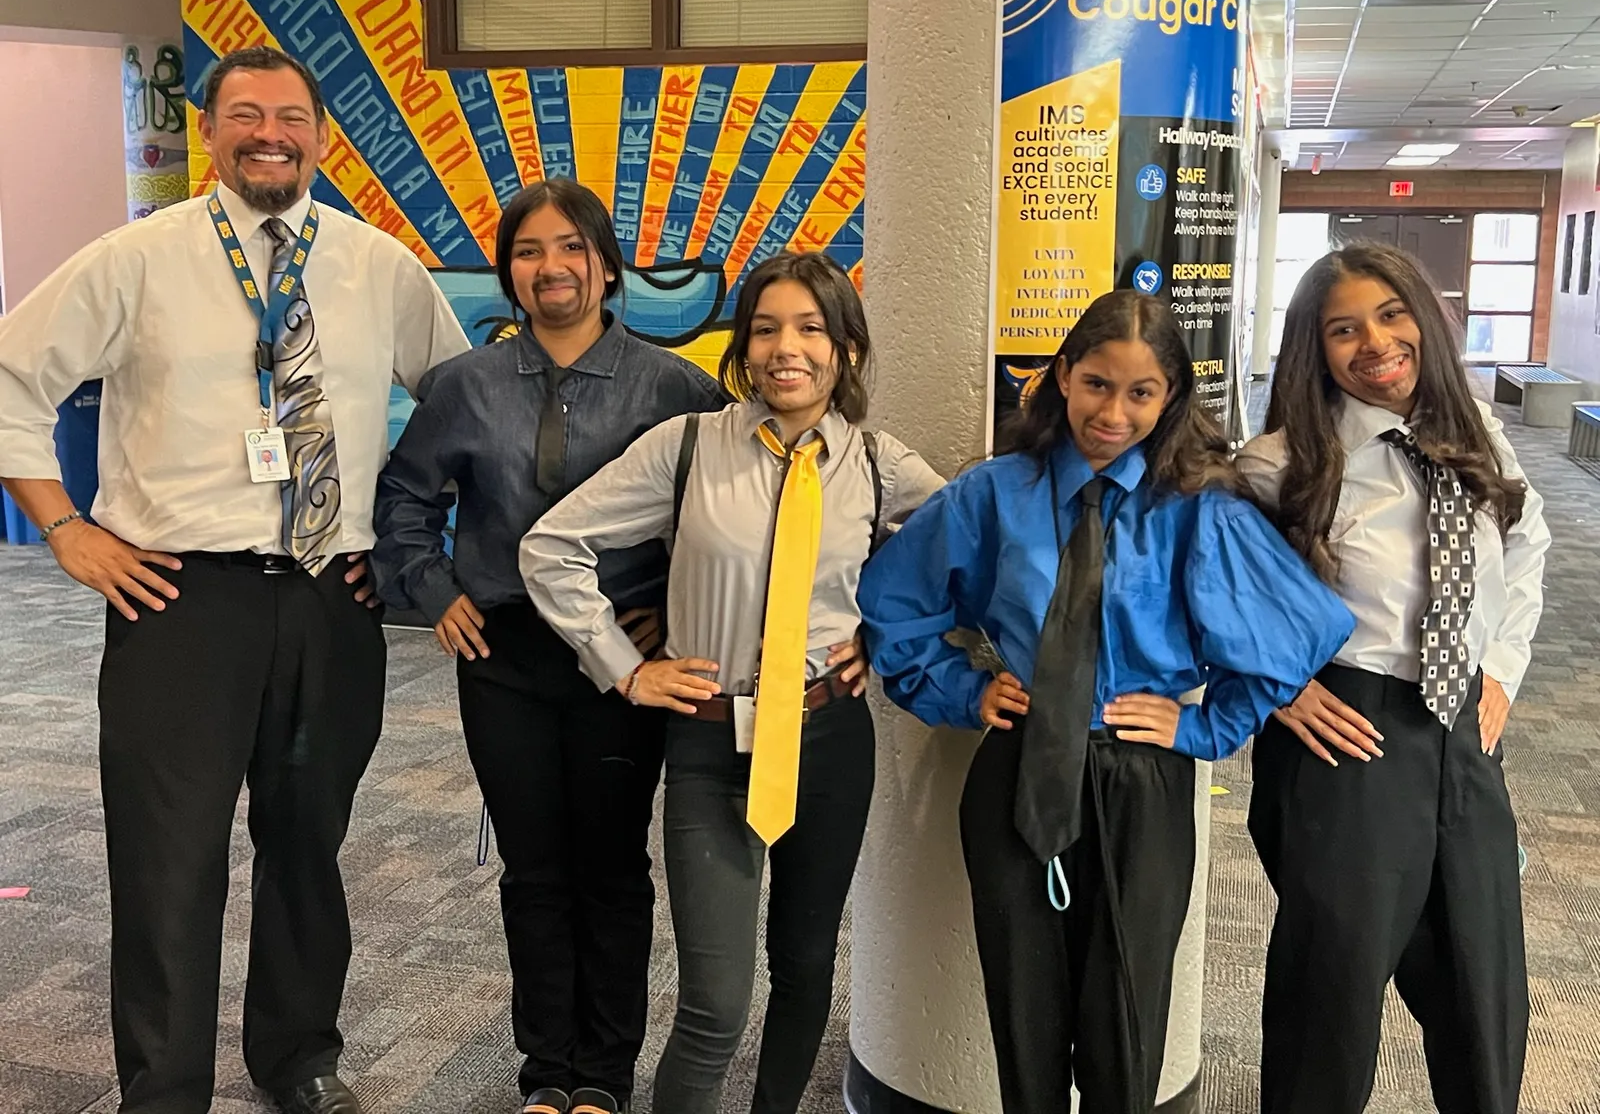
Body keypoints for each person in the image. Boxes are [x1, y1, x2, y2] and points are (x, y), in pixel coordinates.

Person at [0, 45, 470, 1114]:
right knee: (170, 859)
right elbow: (11, 372)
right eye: (247, 114)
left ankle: (298, 1055)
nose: (271, 134)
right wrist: (64, 529)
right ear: (209, 129)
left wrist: (414, 551)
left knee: (309, 845)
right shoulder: (137, 258)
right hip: (179, 601)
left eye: (292, 117)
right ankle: (162, 1089)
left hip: (332, 598)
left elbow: (456, 408)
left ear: (320, 135)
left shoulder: (378, 266)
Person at [855, 291, 1355, 1114]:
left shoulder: (1197, 508)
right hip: (1019, 771)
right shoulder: (993, 495)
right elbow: (895, 609)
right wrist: (963, 692)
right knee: (1023, 1015)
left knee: (1127, 1018)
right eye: (1096, 384)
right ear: (1062, 377)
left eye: (1140, 392)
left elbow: (1291, 636)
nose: (1113, 412)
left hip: (1140, 783)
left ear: (1169, 399)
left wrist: (1202, 724)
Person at [522, 251, 943, 1114]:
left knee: (804, 972)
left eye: (811, 328)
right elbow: (550, 548)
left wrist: (887, 638)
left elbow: (965, 559)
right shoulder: (687, 449)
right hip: (712, 742)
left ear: (848, 351)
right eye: (765, 328)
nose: (786, 348)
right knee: (714, 1004)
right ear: (744, 348)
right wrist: (625, 669)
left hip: (829, 739)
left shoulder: (878, 465)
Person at [370, 178, 727, 1114]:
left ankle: (603, 1076)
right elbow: (405, 501)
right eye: (529, 252)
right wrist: (436, 590)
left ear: (607, 268)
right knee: (533, 870)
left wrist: (675, 619)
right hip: (505, 658)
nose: (550, 267)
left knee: (611, 868)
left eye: (571, 247)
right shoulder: (465, 385)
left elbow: (729, 513)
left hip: (624, 665)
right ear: (510, 274)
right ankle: (546, 1075)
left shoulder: (675, 385)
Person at [1237, 244, 1550, 1114]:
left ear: (1423, 319)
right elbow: (1203, 585)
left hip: (1461, 732)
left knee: (1484, 982)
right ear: (1316, 347)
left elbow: (1527, 546)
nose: (1374, 342)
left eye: (1390, 314)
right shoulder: (1280, 463)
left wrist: (1504, 669)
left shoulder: (1472, 431)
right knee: (1330, 995)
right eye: (1344, 329)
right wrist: (1279, 684)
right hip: (1352, 732)